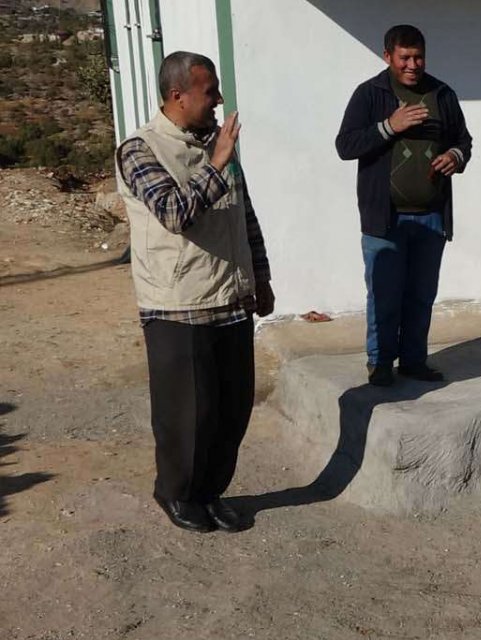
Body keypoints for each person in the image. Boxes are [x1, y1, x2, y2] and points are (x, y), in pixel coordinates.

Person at [116, 51, 273, 533]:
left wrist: (261, 276)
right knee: (189, 415)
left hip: (231, 298)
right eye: (210, 91)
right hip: (178, 304)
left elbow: (244, 215)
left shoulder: (215, 143)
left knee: (231, 411)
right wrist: (217, 163)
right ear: (177, 95)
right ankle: (177, 493)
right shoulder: (139, 149)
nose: (219, 99)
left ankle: (210, 492)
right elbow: (172, 213)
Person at [335, 24, 473, 387]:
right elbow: (345, 145)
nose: (413, 65)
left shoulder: (442, 94)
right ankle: (380, 363)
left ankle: (413, 360)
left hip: (431, 218)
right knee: (384, 295)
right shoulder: (370, 94)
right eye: (405, 58)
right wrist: (389, 126)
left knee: (421, 296)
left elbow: (463, 140)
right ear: (387, 56)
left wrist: (455, 157)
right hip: (385, 219)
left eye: (419, 57)